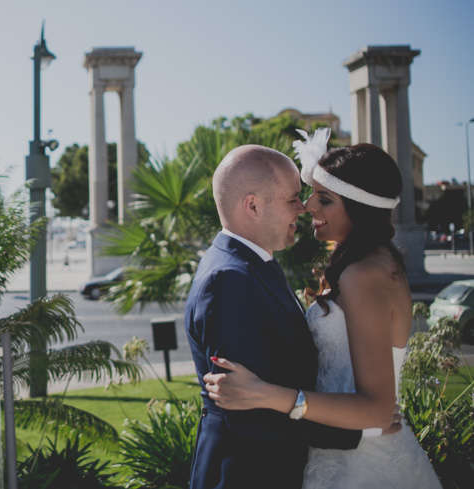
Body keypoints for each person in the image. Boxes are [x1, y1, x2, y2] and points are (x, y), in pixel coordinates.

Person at [202, 130, 440, 488]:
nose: (308, 206)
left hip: (362, 466)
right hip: (337, 449)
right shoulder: (361, 264)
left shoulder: (364, 275)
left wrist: (272, 395)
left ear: (359, 209)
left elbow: (377, 410)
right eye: (311, 193)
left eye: (324, 199)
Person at [185, 143, 366, 489]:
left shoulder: (250, 262)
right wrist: (356, 427)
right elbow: (248, 413)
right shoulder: (229, 280)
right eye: (292, 199)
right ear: (252, 205)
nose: (303, 207)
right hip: (247, 474)